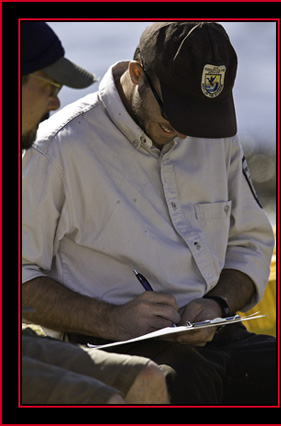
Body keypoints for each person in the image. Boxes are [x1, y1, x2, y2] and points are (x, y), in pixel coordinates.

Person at [22, 21, 276, 405]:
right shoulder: (56, 147)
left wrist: (218, 303)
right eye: (177, 115)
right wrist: (111, 319)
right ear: (137, 74)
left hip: (216, 334)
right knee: (180, 382)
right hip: (111, 343)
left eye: (201, 115)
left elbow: (251, 241)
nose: (188, 133)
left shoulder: (213, 130)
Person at [21, 21, 169, 405]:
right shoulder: (46, 151)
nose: (55, 103)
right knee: (104, 401)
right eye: (49, 86)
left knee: (149, 379)